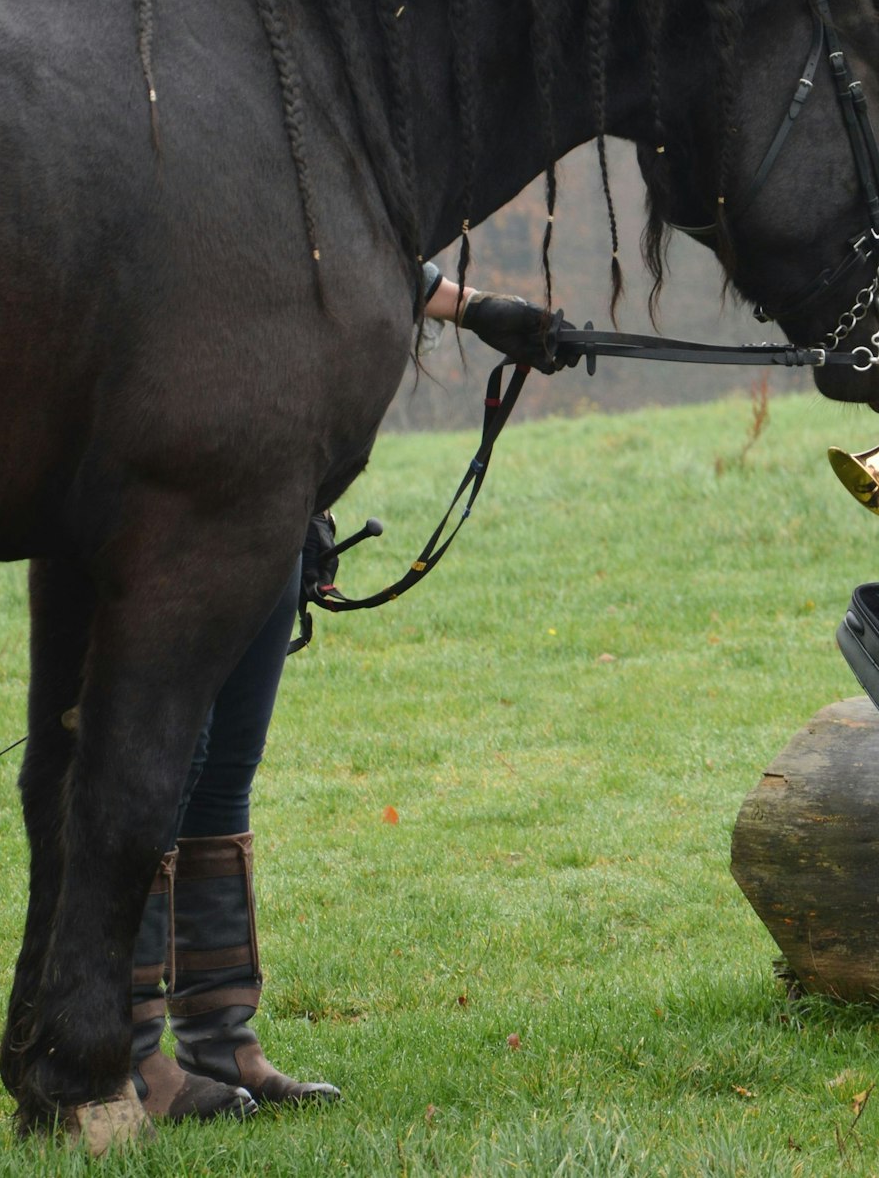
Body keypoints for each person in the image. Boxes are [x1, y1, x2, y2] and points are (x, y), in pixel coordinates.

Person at [129, 266, 574, 1120]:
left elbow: (352, 247)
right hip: (193, 517)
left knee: (223, 781)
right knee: (164, 776)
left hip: (280, 511)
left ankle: (221, 1041)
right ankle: (134, 1056)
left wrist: (483, 312)